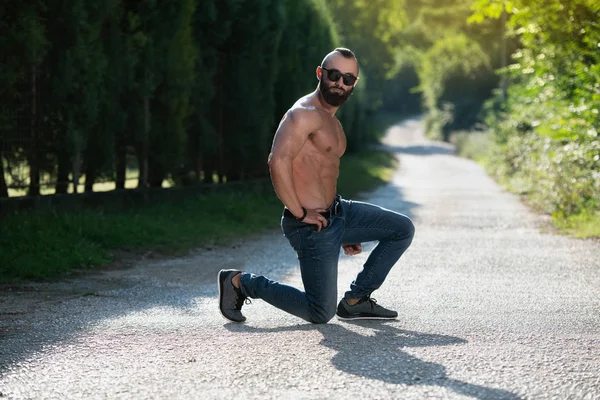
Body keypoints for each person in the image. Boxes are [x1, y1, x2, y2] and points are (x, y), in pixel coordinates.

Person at [218, 48, 415, 324]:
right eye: (334, 75)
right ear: (320, 73)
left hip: (338, 213)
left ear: (354, 84)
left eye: (348, 78)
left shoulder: (332, 121)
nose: (340, 83)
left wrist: (347, 231)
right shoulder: (303, 114)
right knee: (320, 312)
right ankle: (240, 282)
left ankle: (356, 300)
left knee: (402, 228)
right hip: (311, 225)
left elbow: (323, 173)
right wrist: (299, 213)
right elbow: (277, 161)